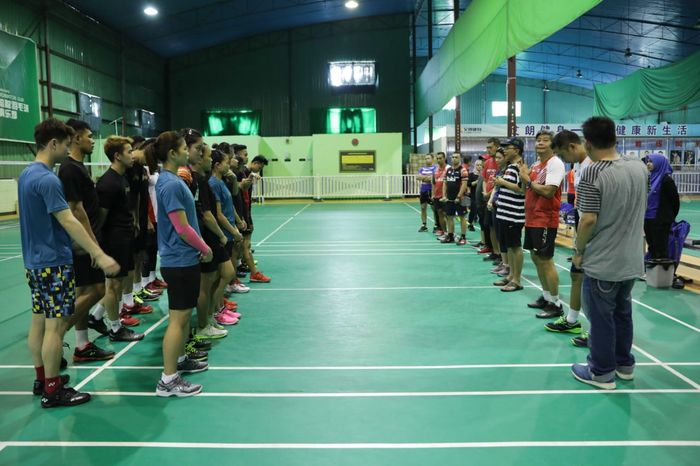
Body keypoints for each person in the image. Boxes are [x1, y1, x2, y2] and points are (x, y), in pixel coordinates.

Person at [20, 118, 119, 408]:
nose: (67, 149)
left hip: (34, 262)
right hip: (53, 262)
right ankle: (53, 390)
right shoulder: (49, 179)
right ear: (53, 144)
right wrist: (98, 254)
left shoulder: (26, 175)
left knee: (39, 320)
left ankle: (42, 378)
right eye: (65, 144)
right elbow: (68, 219)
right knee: (54, 327)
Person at [570, 116, 648, 389]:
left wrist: (578, 252)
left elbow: (588, 219)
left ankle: (601, 372)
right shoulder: (639, 167)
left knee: (601, 318)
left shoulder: (593, 172)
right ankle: (624, 364)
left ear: (588, 143)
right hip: (632, 258)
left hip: (604, 261)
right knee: (622, 312)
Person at [149, 131, 212, 397]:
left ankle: (181, 360)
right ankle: (168, 380)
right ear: (173, 153)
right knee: (177, 320)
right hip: (180, 260)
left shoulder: (170, 180)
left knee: (184, 316)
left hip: (182, 259)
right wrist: (205, 247)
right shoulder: (172, 184)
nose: (189, 152)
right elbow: (182, 228)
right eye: (185, 148)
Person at [57, 119, 114, 362]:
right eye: (89, 136)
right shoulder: (70, 169)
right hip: (81, 242)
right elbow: (75, 210)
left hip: (86, 239)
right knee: (98, 290)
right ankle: (56, 334)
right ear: (77, 138)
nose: (93, 140)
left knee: (83, 291)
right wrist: (92, 246)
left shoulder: (80, 167)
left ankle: (82, 345)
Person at [94, 137, 146, 342]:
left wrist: (132, 222)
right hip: (113, 240)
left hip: (124, 237)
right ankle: (115, 329)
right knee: (113, 286)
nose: (132, 155)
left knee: (118, 283)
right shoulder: (108, 182)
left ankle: (96, 316)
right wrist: (98, 246)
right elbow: (101, 217)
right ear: (117, 156)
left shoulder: (122, 178)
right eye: (128, 151)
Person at [546, 130, 592, 342]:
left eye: (562, 156)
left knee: (596, 288)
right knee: (576, 276)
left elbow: (594, 214)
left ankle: (597, 333)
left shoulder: (593, 166)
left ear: (572, 147)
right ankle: (572, 320)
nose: (563, 161)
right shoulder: (578, 166)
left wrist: (581, 248)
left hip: (594, 235)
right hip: (582, 228)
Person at [519, 130, 566, 319]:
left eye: (545, 141)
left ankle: (556, 303)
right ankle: (546, 297)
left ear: (552, 145)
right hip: (531, 218)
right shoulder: (536, 164)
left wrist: (528, 181)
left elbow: (548, 191)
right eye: (538, 140)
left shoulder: (555, 164)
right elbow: (525, 190)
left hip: (545, 219)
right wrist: (523, 177)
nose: (540, 143)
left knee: (546, 260)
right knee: (536, 258)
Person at [492, 138, 526, 292]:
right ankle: (511, 276)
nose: (504, 150)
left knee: (515, 247)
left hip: (514, 215)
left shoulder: (519, 167)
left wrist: (502, 182)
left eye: (507, 148)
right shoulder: (510, 167)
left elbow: (522, 189)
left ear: (517, 150)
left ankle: (517, 280)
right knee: (509, 247)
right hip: (504, 214)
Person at [644, 154, 680, 260]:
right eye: (648, 161)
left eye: (651, 162)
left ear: (659, 163)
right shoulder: (648, 178)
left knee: (661, 250)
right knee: (652, 248)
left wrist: (667, 218)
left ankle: (662, 274)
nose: (648, 164)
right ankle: (653, 274)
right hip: (648, 219)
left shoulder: (666, 181)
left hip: (660, 221)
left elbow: (675, 202)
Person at [440, 153, 468, 244]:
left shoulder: (463, 170)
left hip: (460, 198)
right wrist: (444, 196)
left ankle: (463, 237)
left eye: (456, 157)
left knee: (462, 217)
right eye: (452, 157)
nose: (454, 159)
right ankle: (450, 236)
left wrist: (459, 196)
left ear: (460, 159)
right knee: (449, 217)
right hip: (449, 199)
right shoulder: (447, 170)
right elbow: (445, 183)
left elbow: (464, 185)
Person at [480, 138, 500, 262]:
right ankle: (495, 251)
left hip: (497, 198)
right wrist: (485, 193)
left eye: (490, 147)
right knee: (491, 227)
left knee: (498, 228)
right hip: (488, 199)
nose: (488, 150)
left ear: (497, 147)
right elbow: (485, 179)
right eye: (487, 148)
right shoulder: (487, 162)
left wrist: (489, 194)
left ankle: (502, 255)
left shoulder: (501, 162)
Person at [417, 154, 436, 232]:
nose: (426, 160)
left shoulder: (435, 168)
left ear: (432, 159)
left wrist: (423, 177)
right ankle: (424, 225)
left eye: (428, 158)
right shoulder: (422, 169)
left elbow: (433, 178)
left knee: (434, 209)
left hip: (432, 190)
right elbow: (418, 177)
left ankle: (436, 225)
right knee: (423, 208)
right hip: (423, 190)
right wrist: (428, 177)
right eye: (425, 158)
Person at [432, 152, 448, 238]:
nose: (438, 160)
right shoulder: (435, 170)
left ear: (444, 158)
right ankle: (444, 231)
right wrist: (432, 194)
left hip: (446, 197)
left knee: (447, 215)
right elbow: (433, 183)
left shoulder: (448, 169)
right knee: (440, 214)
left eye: (440, 158)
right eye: (437, 158)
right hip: (437, 196)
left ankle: (450, 233)